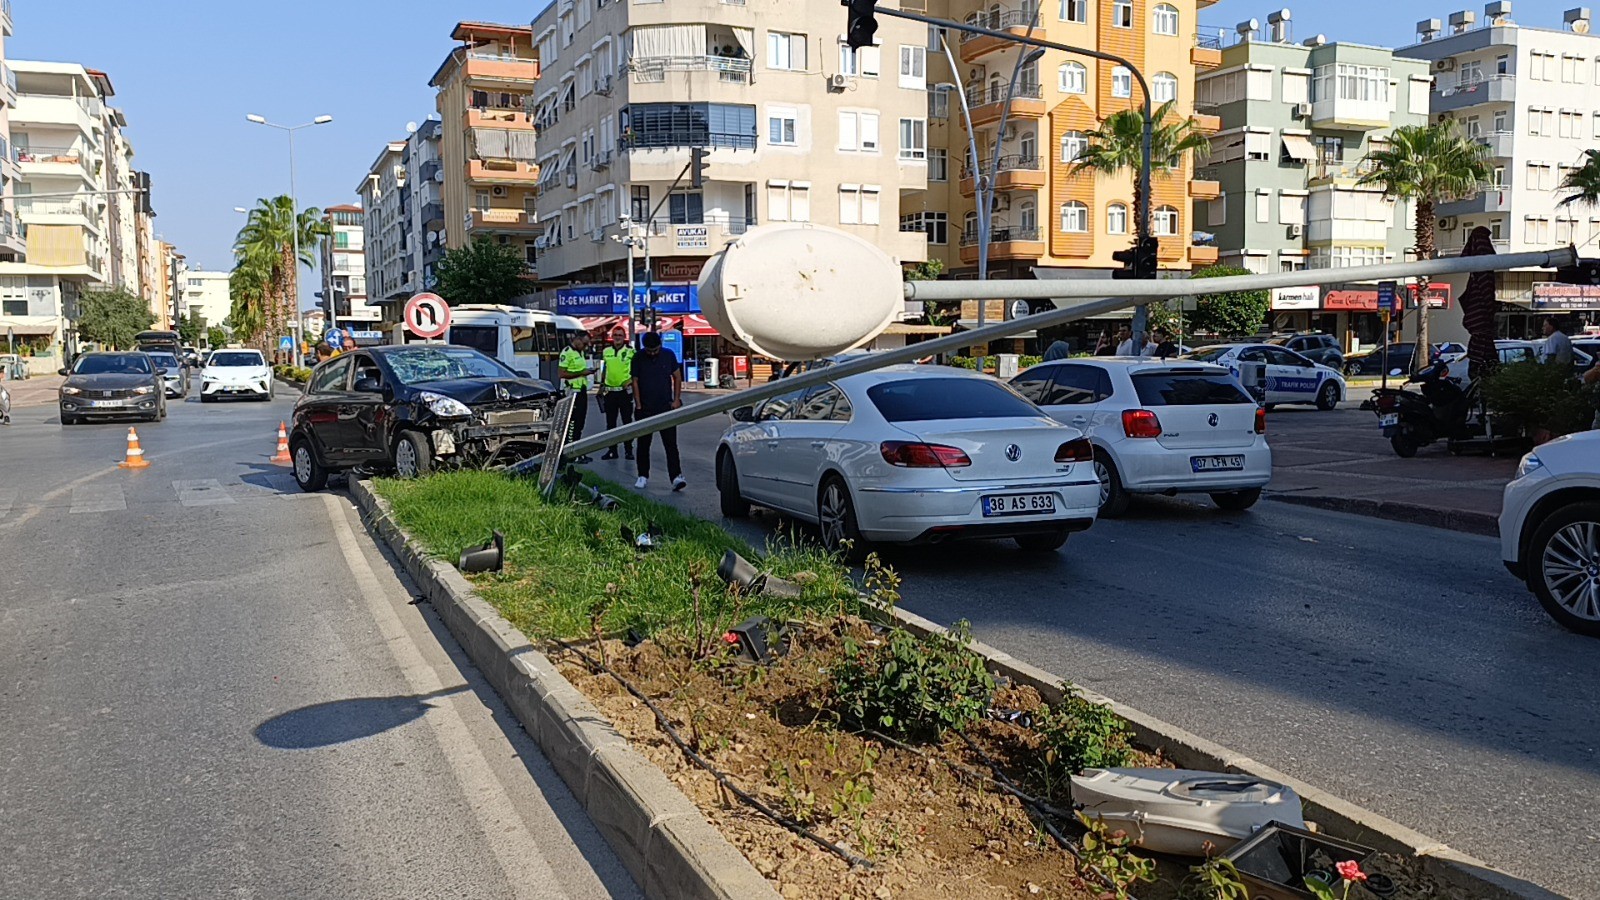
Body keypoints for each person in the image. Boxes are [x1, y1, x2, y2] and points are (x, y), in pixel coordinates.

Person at [630, 331, 684, 492]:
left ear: (660, 345)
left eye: (655, 350)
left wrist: (676, 400)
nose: (653, 353)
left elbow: (677, 377)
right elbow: (635, 381)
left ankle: (676, 476)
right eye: (650, 351)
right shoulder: (638, 357)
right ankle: (642, 475)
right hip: (645, 407)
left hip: (665, 407)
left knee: (670, 444)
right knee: (643, 444)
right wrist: (638, 404)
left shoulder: (668, 355)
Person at [598, 329, 635, 461]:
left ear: (624, 337)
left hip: (624, 392)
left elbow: (636, 370)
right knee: (610, 423)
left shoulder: (631, 351)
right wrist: (601, 385)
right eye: (615, 335)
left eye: (620, 335)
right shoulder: (606, 351)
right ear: (611, 336)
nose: (617, 337)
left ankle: (628, 450)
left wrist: (630, 381)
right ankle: (612, 450)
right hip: (610, 392)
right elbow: (605, 369)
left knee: (627, 422)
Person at [557, 332, 594, 463]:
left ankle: (577, 451)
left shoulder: (580, 353)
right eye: (584, 343)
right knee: (572, 424)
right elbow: (561, 373)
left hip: (582, 391)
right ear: (577, 340)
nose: (585, 346)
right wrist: (581, 373)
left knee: (580, 423)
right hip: (572, 393)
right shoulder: (567, 352)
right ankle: (570, 453)